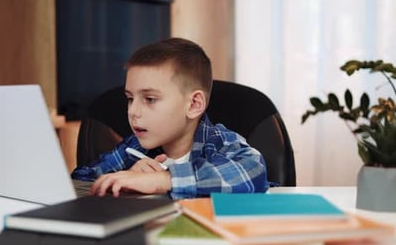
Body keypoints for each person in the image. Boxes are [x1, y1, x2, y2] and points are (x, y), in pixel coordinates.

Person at [71, 38, 269, 199]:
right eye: (130, 99)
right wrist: (122, 178)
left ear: (193, 105)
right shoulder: (136, 147)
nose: (133, 111)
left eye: (149, 99)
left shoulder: (220, 142)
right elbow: (80, 180)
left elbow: (253, 172)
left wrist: (161, 180)